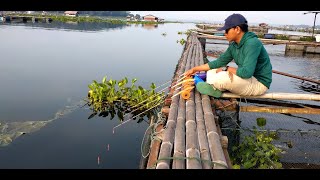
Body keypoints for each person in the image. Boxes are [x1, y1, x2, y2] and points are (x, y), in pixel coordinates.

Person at [185, 13, 272, 97]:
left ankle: (216, 89)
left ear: (237, 29)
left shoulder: (252, 43)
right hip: (246, 79)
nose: (225, 33)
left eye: (227, 30)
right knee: (212, 71)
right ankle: (214, 86)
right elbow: (218, 62)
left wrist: (226, 69)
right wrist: (194, 69)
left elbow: (246, 73)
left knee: (222, 77)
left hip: (259, 83)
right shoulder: (234, 45)